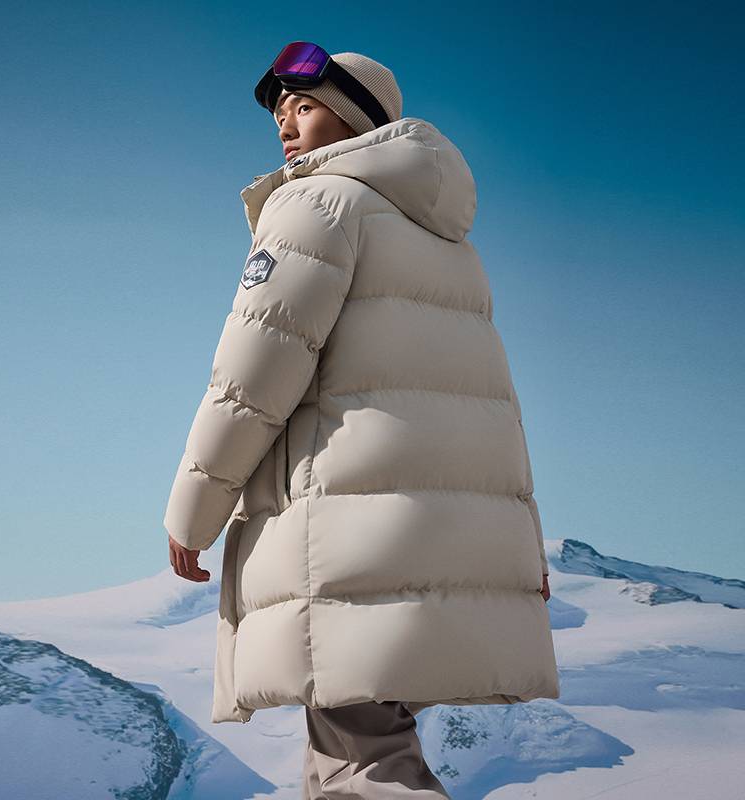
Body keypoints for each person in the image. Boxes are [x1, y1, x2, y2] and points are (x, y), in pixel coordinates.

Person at [163, 43, 559, 799]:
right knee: (342, 752)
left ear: (354, 117)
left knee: (364, 762)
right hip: (428, 534)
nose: (286, 126)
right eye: (280, 114)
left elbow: (253, 374)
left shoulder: (315, 204)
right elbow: (495, 410)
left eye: (304, 108)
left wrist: (194, 509)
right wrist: (521, 545)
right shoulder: (449, 244)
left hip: (342, 533)